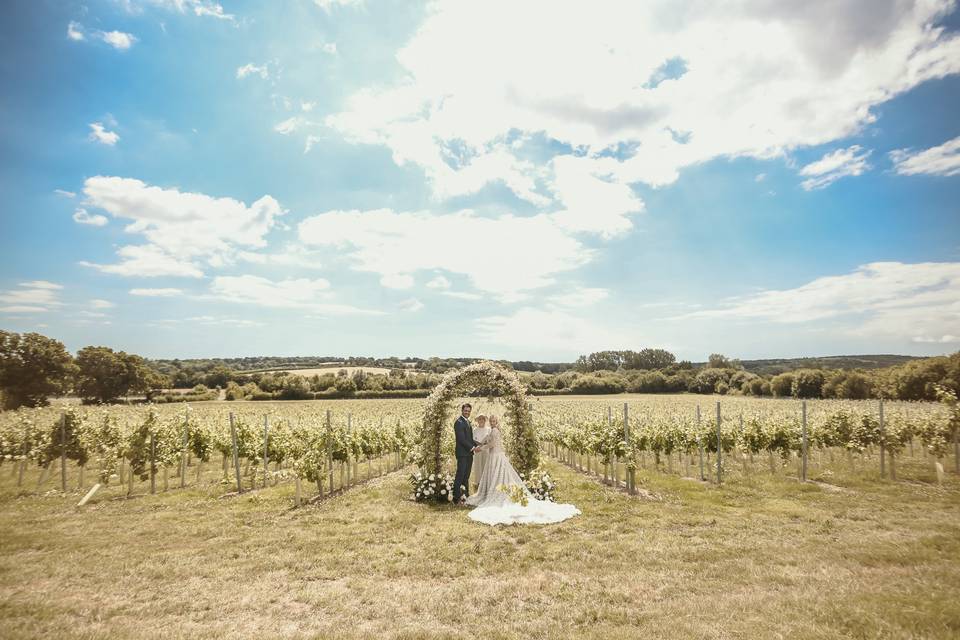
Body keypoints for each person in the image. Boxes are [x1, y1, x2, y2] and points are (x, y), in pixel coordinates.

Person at [466, 415, 580, 525]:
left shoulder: (495, 430)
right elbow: (486, 439)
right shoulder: (492, 430)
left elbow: (492, 444)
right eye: (491, 421)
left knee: (498, 474)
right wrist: (478, 443)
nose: (492, 422)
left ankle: (496, 493)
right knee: (495, 475)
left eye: (494, 421)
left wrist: (481, 448)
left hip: (496, 456)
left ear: (497, 422)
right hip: (493, 456)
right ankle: (492, 491)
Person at [453, 403, 481, 504]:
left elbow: (469, 439)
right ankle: (456, 498)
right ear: (462, 410)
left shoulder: (467, 422)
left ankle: (465, 495)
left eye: (469, 411)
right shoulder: (459, 422)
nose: (467, 412)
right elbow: (462, 439)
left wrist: (478, 445)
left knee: (466, 475)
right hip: (462, 454)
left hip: (469, 454)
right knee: (460, 475)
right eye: (465, 410)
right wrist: (473, 448)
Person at [471, 415, 491, 492]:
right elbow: (473, 440)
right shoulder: (475, 430)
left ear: (485, 420)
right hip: (478, 450)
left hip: (486, 450)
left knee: (485, 466)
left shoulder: (488, 429)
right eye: (480, 419)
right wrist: (478, 446)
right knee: (478, 466)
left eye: (483, 419)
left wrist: (483, 445)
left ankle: (486, 484)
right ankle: (478, 484)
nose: (481, 420)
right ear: (477, 421)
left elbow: (489, 439)